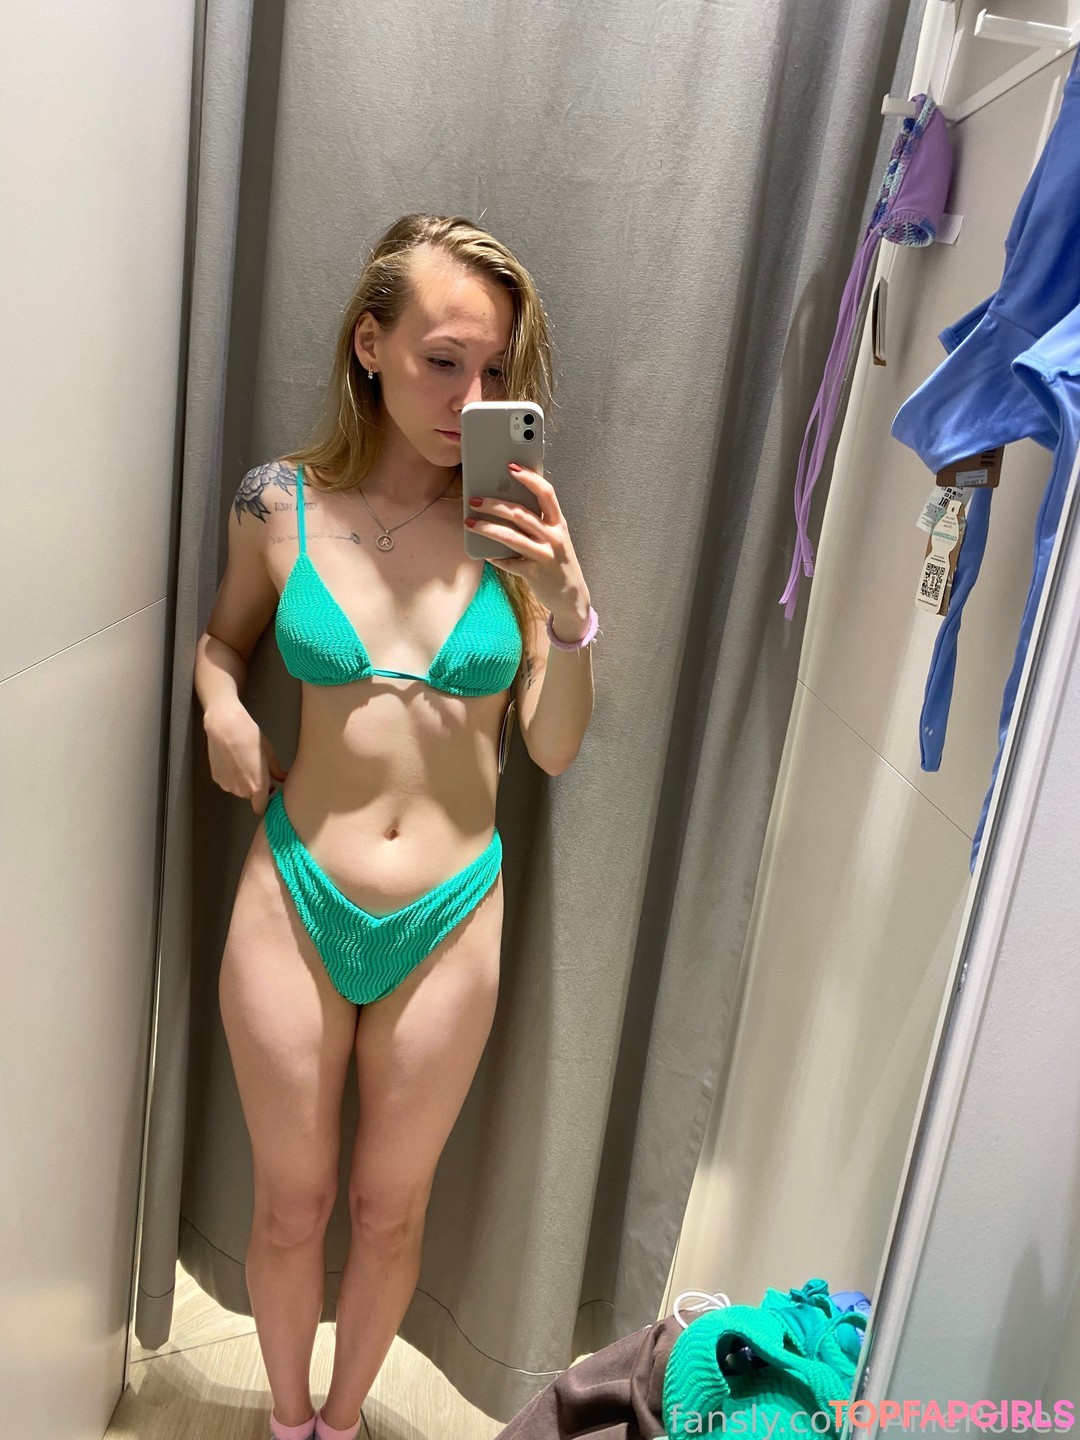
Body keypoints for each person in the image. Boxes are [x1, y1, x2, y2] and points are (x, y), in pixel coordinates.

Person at [193, 213, 598, 1440]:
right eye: (441, 361)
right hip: (294, 892)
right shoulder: (277, 505)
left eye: (496, 371)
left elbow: (552, 747)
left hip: (452, 909)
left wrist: (570, 611)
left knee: (386, 1210)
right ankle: (287, 1424)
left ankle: (345, 1421)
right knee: (291, 1207)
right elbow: (222, 642)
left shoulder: (518, 533)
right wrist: (221, 707)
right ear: (370, 345)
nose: (470, 398)